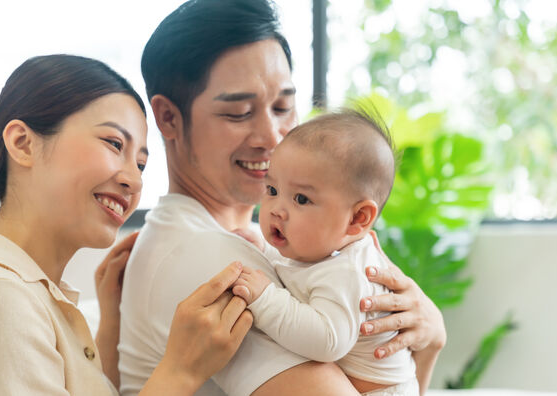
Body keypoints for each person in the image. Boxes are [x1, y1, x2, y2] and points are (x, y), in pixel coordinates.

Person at [118, 0, 446, 395]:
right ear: (169, 117)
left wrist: (428, 341)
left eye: (283, 107)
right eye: (239, 112)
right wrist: (423, 354)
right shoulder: (212, 261)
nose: (272, 137)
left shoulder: (274, 242)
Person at [0, 54, 253, 396]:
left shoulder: (20, 295)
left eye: (142, 165)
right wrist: (181, 371)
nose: (134, 180)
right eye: (114, 144)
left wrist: (111, 328)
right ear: (23, 143)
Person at [229, 110, 418, 395]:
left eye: (301, 198)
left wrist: (266, 298)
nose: (276, 209)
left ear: (357, 219)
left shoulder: (348, 271)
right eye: (272, 189)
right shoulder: (323, 247)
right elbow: (300, 266)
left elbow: (328, 340)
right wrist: (266, 249)